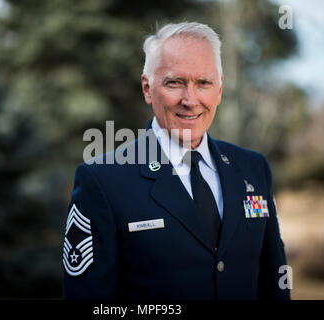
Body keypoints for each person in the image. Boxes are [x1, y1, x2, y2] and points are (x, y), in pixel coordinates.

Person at [62, 22, 290, 300]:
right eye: (174, 83)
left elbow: (274, 286)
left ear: (219, 89)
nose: (190, 100)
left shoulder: (253, 169)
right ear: (147, 88)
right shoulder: (102, 180)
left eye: (203, 83)